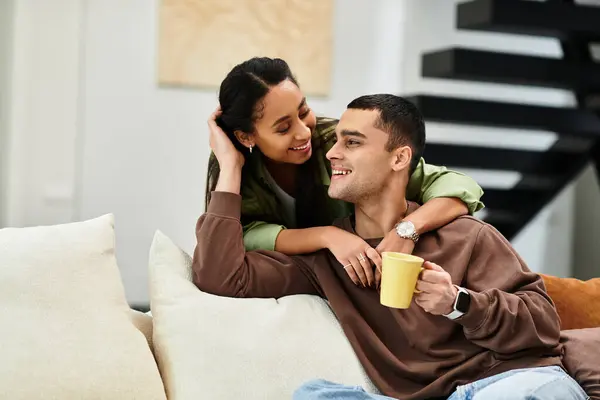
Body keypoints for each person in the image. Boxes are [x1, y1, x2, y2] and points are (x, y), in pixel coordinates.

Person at [193, 94, 588, 400]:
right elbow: (220, 276)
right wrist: (230, 167)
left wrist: (458, 303)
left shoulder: (465, 235)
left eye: (351, 142)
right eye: (335, 142)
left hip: (511, 382)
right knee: (315, 394)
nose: (331, 153)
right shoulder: (328, 260)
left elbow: (544, 327)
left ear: (399, 158)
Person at [205, 57, 484, 287]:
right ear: (246, 137)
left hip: (362, 282)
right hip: (307, 278)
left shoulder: (335, 142)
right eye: (283, 128)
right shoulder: (233, 167)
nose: (304, 132)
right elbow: (228, 249)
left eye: (304, 112)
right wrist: (327, 235)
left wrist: (405, 231)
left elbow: (458, 186)